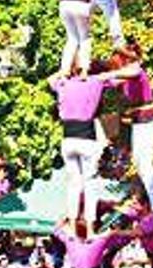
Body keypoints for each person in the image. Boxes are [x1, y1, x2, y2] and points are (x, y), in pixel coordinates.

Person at [48, 70, 115, 229]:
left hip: (68, 138)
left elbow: (50, 80)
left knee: (73, 184)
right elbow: (117, 80)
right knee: (90, 184)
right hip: (87, 138)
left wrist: (63, 71)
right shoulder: (95, 81)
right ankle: (90, 226)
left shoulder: (64, 84)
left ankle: (71, 224)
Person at [101, 41, 153, 212]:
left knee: (145, 165)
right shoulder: (125, 75)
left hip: (147, 124)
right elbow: (110, 81)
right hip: (140, 125)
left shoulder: (137, 70)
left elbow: (126, 72)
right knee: (140, 164)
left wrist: (104, 76)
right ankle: (149, 202)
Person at [58, 0, 125, 77]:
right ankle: (84, 70)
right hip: (80, 5)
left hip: (64, 5)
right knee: (85, 38)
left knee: (72, 38)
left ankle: (65, 69)